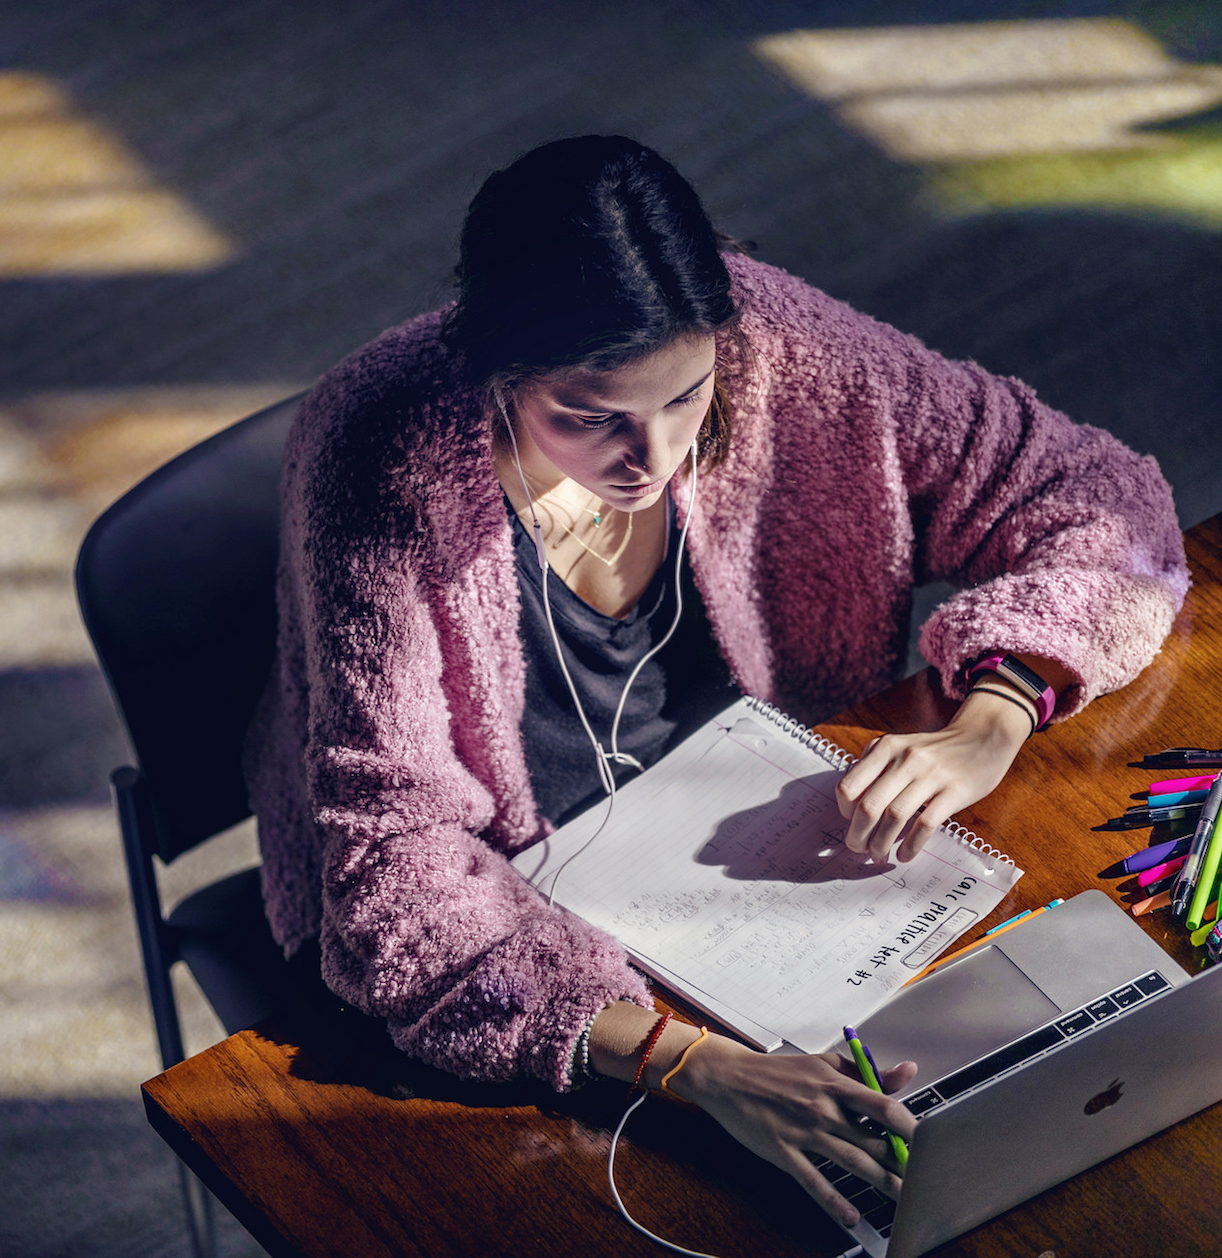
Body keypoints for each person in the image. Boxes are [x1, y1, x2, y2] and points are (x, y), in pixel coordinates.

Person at [242, 135, 1187, 1228]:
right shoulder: (382, 459)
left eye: (686, 398)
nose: (654, 456)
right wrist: (695, 1066)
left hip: (759, 848)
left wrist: (1000, 708)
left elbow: (1099, 498)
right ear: (494, 371)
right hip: (505, 907)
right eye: (589, 417)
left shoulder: (768, 336)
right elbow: (394, 886)